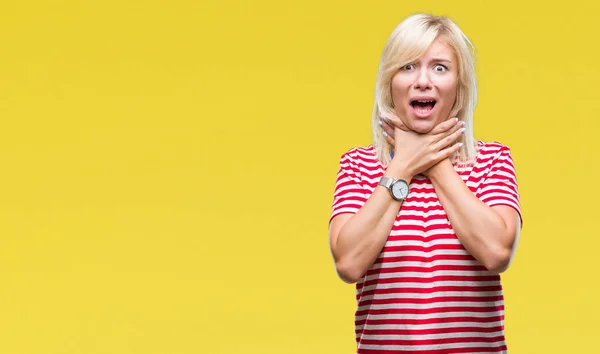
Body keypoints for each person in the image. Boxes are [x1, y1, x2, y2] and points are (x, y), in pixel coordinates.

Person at [328, 13, 523, 353]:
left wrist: (434, 163)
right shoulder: (357, 166)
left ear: (458, 87)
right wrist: (402, 166)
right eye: (407, 67)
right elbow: (348, 263)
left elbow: (497, 252)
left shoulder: (492, 161)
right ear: (390, 82)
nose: (422, 81)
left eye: (439, 67)